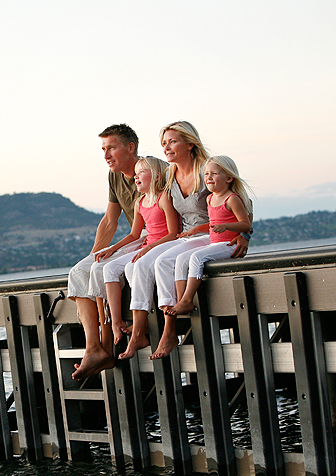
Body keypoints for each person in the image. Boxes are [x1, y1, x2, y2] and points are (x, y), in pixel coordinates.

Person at [149, 121, 250, 360]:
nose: (167, 147)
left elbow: (242, 201)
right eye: (164, 143)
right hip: (187, 236)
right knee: (161, 262)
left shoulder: (209, 169)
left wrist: (244, 234)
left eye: (173, 141)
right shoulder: (169, 175)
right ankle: (171, 321)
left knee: (169, 260)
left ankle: (170, 328)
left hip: (211, 236)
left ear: (190, 143)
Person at [68, 124, 142, 381]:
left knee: (101, 269)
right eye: (103, 149)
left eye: (111, 147)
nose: (106, 155)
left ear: (130, 147)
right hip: (131, 240)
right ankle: (94, 348)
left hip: (150, 238)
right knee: (79, 271)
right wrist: (92, 257)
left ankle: (107, 344)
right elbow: (110, 221)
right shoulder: (114, 176)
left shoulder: (151, 171)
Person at [97, 156, 179, 360]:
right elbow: (135, 235)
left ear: (157, 176)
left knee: (137, 266)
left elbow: (173, 232)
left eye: (142, 171)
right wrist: (112, 249)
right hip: (147, 246)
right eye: (136, 173)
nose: (136, 176)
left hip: (163, 246)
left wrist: (149, 248)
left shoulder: (164, 198)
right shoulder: (140, 202)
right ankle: (117, 322)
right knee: (109, 268)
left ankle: (138, 332)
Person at [166, 156, 253, 316]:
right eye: (206, 174)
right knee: (181, 259)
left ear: (229, 178)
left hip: (229, 245)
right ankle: (181, 299)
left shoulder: (232, 199)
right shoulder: (209, 198)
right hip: (215, 244)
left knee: (196, 258)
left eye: (214, 174)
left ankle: (187, 300)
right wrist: (197, 229)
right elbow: (214, 225)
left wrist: (227, 226)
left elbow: (246, 224)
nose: (209, 177)